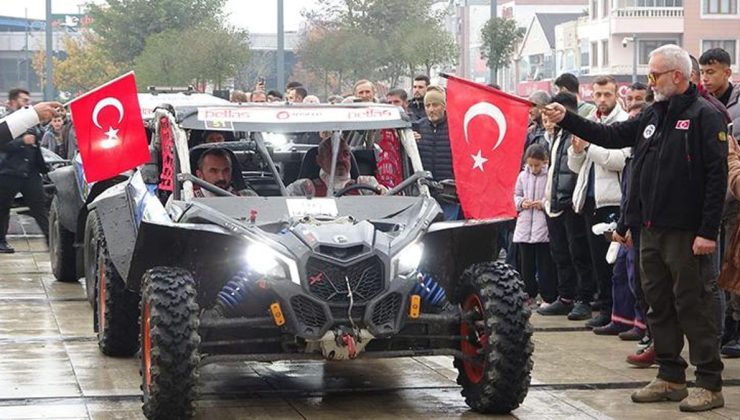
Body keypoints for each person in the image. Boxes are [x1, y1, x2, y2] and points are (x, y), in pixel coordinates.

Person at [542, 44, 727, 412]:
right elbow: (612, 139)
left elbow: (716, 177)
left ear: (677, 75)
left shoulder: (706, 116)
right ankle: (671, 376)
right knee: (656, 304)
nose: (649, 81)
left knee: (694, 305)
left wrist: (708, 230)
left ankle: (709, 381)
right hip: (648, 229)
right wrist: (567, 118)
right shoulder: (653, 115)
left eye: (654, 75)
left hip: (687, 233)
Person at [567, 75, 630, 329]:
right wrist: (577, 150)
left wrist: (589, 147)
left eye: (607, 94)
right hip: (590, 198)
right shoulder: (589, 121)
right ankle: (603, 307)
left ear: (617, 96)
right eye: (598, 94)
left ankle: (614, 311)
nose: (602, 99)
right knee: (593, 258)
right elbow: (575, 165)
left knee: (611, 262)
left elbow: (619, 160)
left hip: (613, 200)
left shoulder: (624, 122)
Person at [538, 92, 595, 321]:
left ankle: (584, 299)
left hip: (572, 203)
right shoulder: (557, 135)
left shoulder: (579, 132)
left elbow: (576, 168)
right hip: (554, 201)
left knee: (579, 253)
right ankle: (566, 296)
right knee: (560, 253)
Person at [699, 48, 740, 356]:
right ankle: (726, 327)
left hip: (736, 194)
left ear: (727, 72)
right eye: (702, 73)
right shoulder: (700, 105)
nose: (705, 78)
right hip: (715, 198)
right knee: (720, 268)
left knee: (734, 263)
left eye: (711, 72)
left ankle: (736, 328)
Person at [0, 92, 55, 253]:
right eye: (23, 100)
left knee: (40, 207)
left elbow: (36, 147)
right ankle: (1, 241)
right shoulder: (7, 122)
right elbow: (3, 144)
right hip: (9, 172)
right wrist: (21, 142)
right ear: (12, 102)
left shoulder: (32, 124)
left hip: (30, 173)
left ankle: (51, 240)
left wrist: (42, 168)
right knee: (3, 208)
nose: (26, 103)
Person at [514, 143, 555, 306]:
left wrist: (543, 204)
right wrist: (521, 203)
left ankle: (548, 296)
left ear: (544, 162)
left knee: (545, 264)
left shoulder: (549, 175)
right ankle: (528, 294)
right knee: (526, 265)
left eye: (536, 165)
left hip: (542, 226)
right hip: (525, 225)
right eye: (530, 165)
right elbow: (516, 194)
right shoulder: (522, 176)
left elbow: (551, 196)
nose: (533, 168)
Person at [286, 137, 387, 197]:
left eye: (345, 154)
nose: (341, 159)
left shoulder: (366, 184)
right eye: (333, 154)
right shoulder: (303, 188)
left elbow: (384, 209)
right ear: (319, 160)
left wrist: (383, 193)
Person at [414, 86, 453, 181]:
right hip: (425, 187)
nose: (431, 110)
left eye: (435, 105)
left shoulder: (453, 129)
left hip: (448, 188)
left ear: (444, 106)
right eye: (428, 105)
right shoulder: (418, 127)